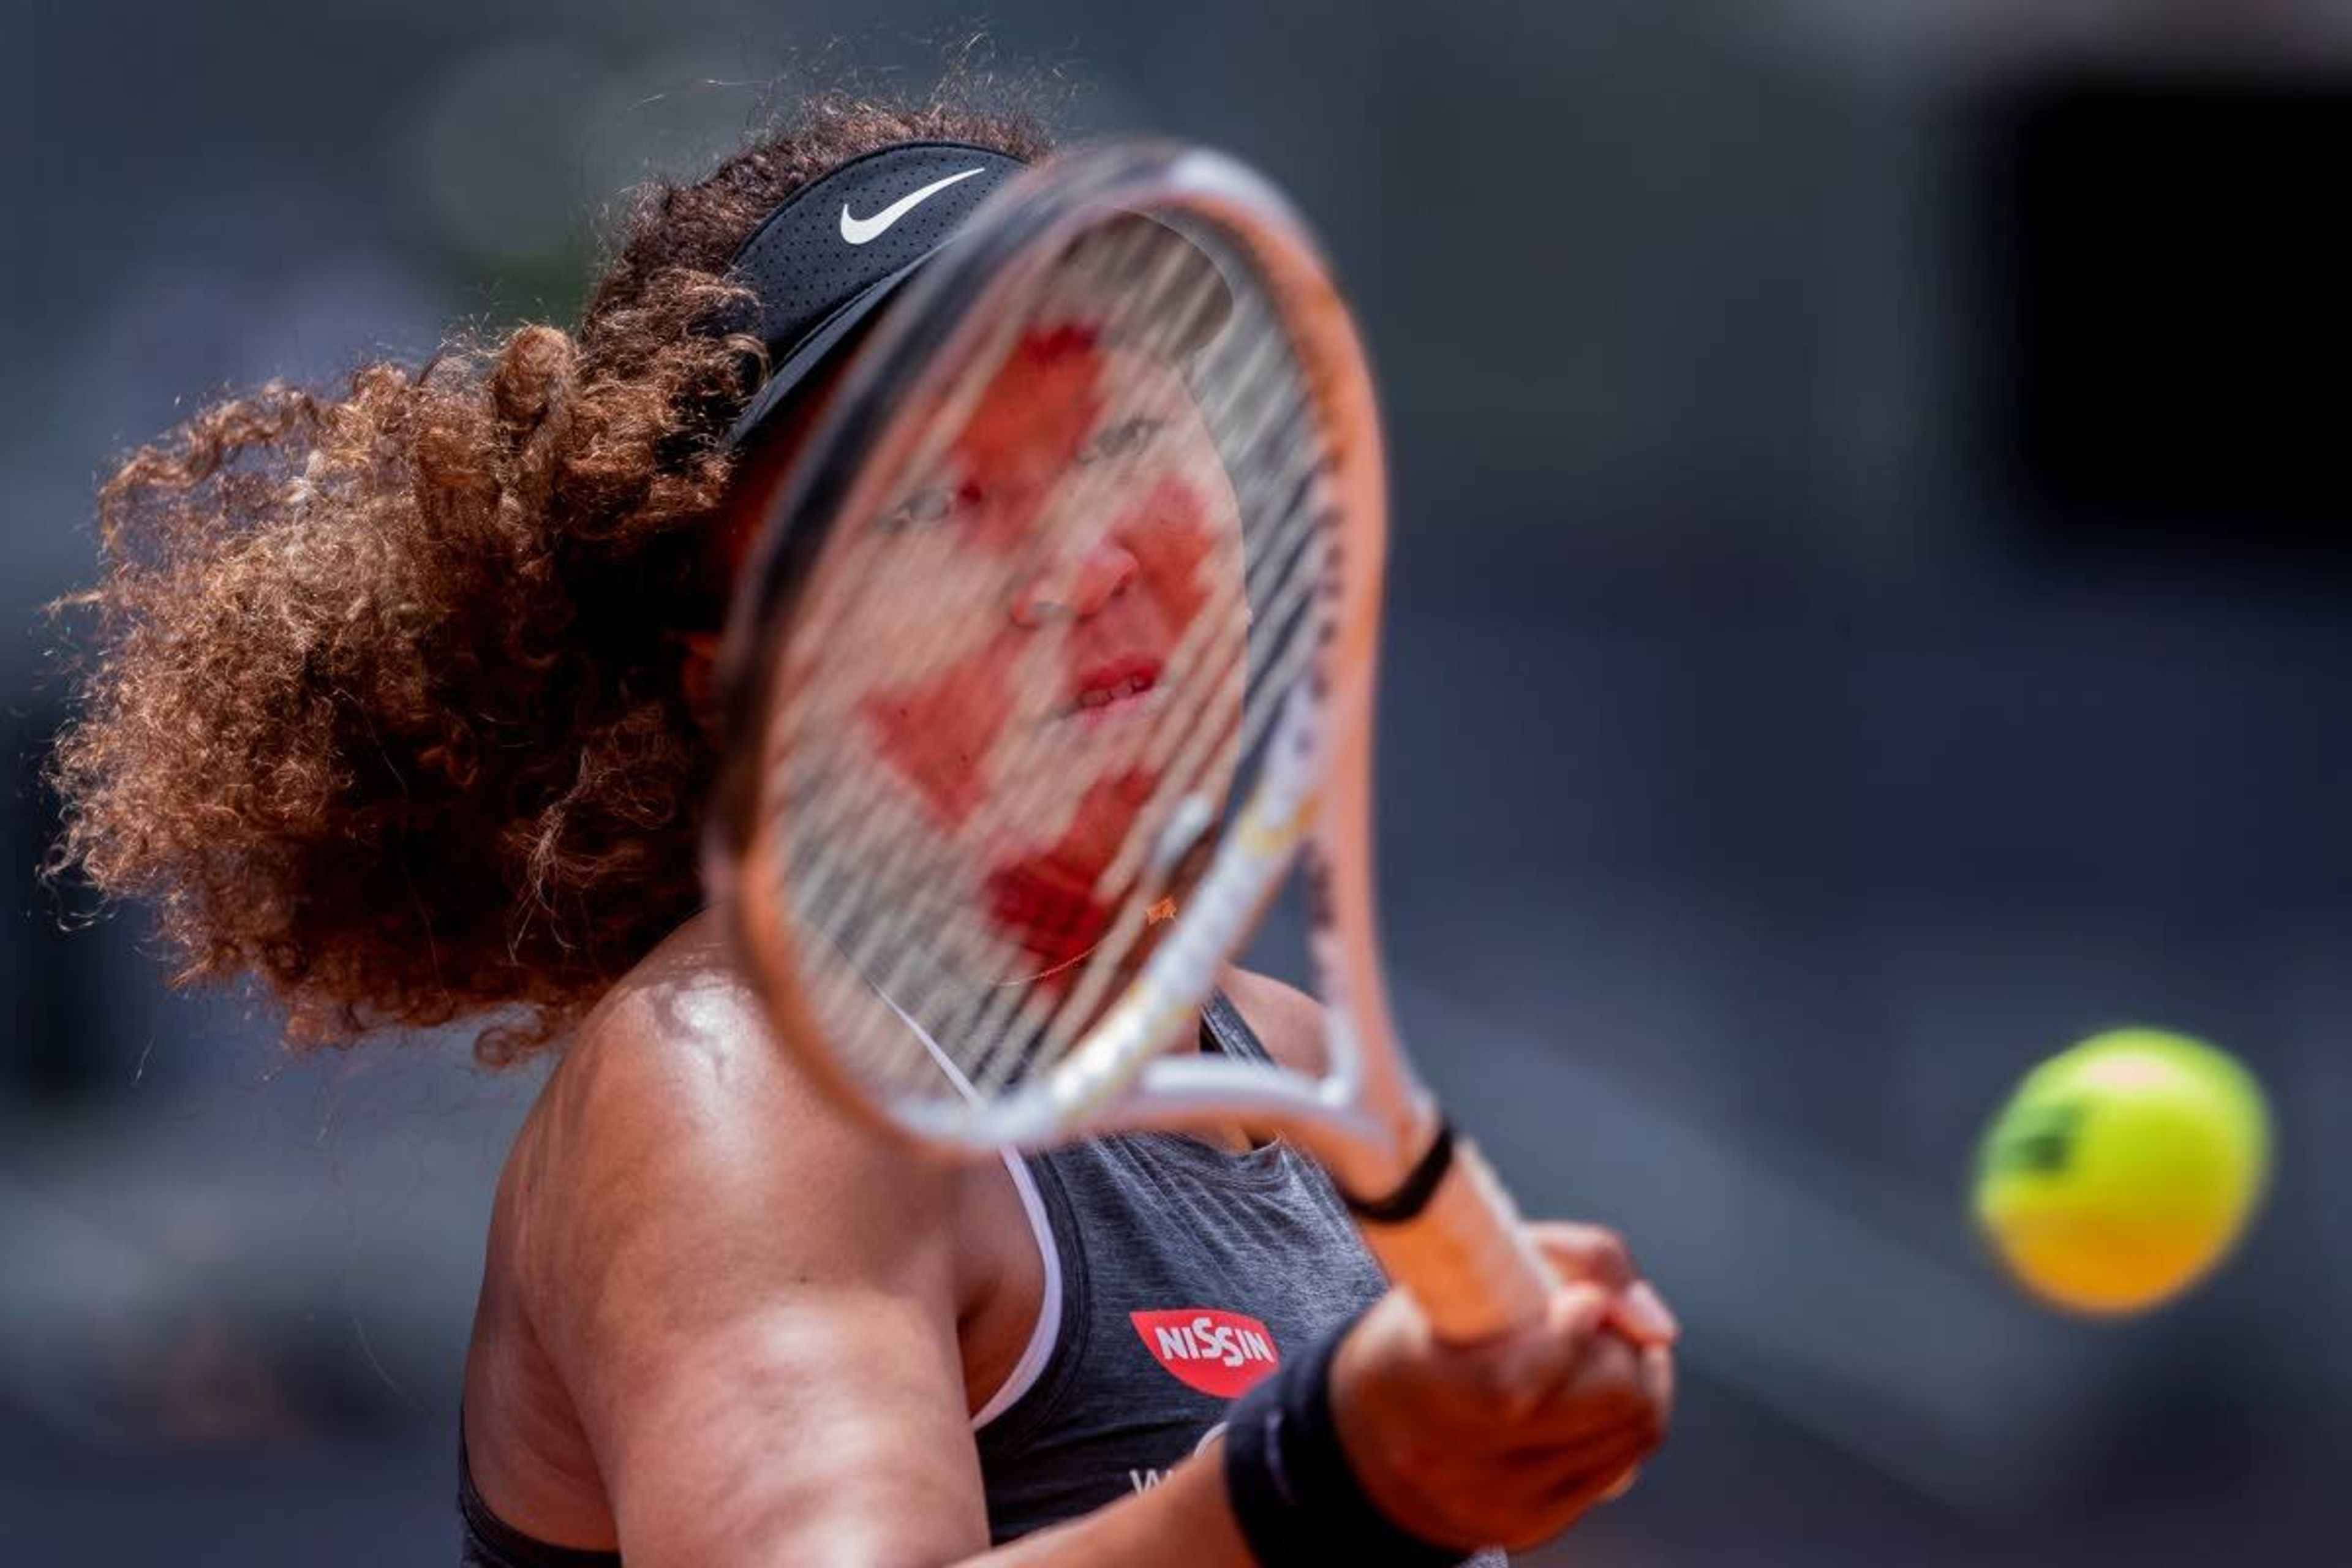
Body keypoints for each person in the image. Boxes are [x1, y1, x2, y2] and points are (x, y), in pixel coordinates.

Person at [48, 83, 1676, 1566]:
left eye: (1116, 434)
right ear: (740, 680)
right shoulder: (736, 1082)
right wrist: (1325, 1474)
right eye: (938, 504)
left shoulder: (1285, 1055)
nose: (1084, 558)